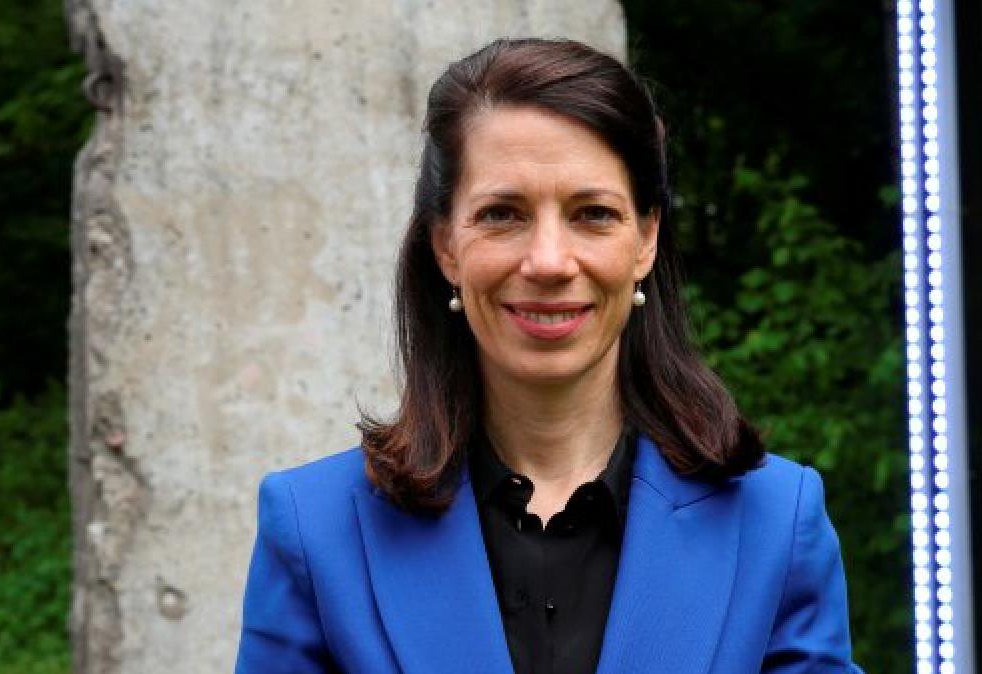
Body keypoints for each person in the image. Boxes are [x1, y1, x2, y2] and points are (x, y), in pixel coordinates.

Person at [235, 37, 863, 674]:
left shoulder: (775, 524)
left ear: (646, 239)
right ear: (445, 244)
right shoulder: (313, 531)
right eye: (503, 214)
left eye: (592, 213)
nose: (549, 262)